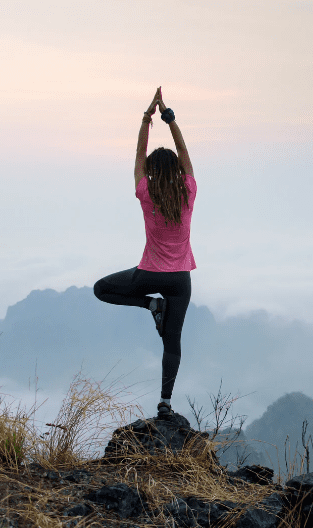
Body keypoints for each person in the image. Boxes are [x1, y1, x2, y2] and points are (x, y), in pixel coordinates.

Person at [93, 87, 197, 419]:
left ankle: (151, 304)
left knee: (102, 288)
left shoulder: (145, 192)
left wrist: (146, 119)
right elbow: (182, 149)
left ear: (152, 172)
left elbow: (140, 151)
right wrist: (169, 118)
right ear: (179, 172)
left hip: (150, 273)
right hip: (180, 280)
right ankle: (165, 403)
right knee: (173, 341)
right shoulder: (189, 191)